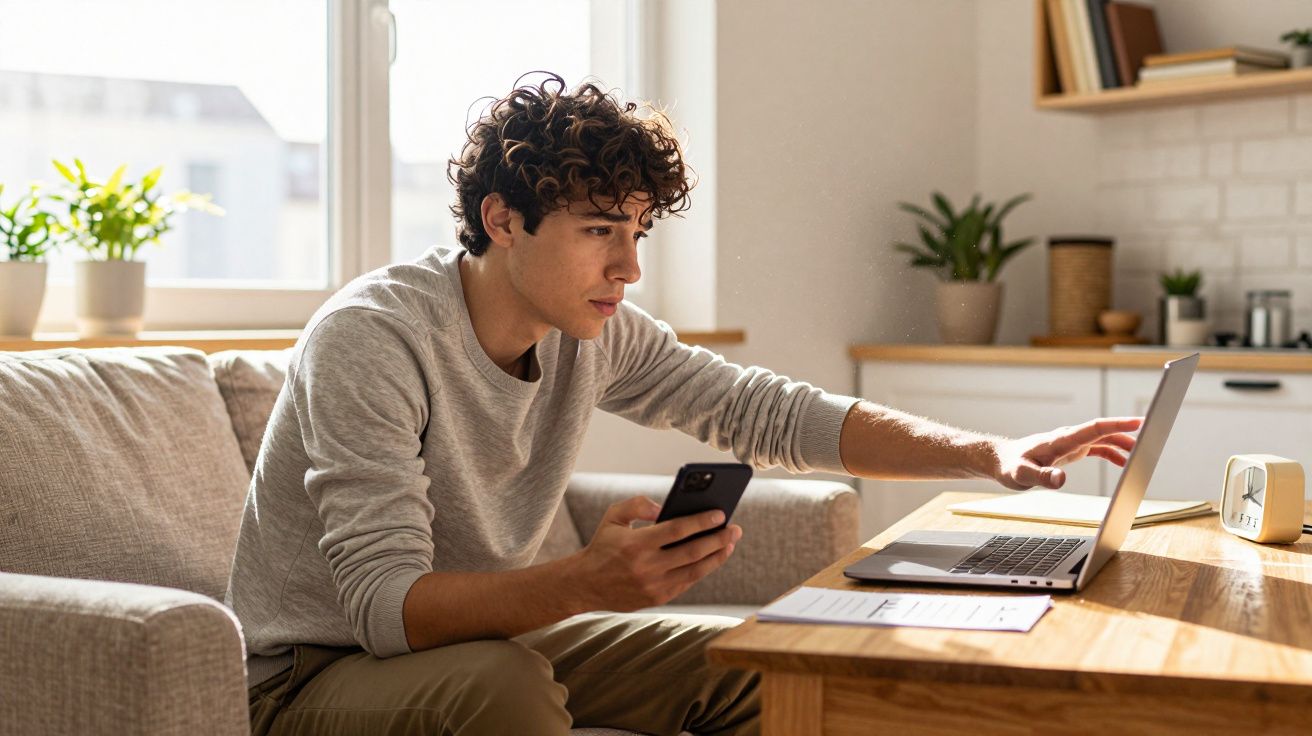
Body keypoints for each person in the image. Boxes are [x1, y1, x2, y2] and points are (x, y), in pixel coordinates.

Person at [229, 73, 1141, 736]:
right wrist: (586, 581)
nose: (627, 268)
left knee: (766, 662)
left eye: (635, 233)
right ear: (502, 220)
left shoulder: (590, 329)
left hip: (498, 643)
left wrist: (987, 452)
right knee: (504, 687)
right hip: (318, 676)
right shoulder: (373, 338)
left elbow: (764, 412)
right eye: (598, 233)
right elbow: (385, 609)